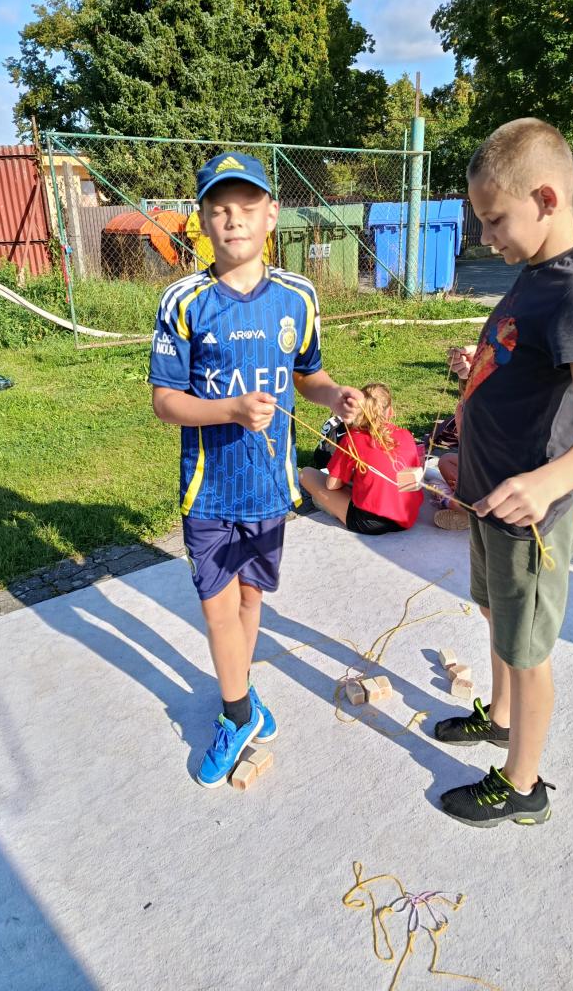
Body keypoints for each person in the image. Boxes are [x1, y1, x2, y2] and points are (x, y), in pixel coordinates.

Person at [149, 151, 362, 789]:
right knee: (217, 610)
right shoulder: (184, 300)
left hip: (270, 488)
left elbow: (309, 374)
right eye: (219, 209)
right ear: (202, 220)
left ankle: (240, 692)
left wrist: (335, 396)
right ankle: (237, 712)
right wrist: (230, 410)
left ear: (271, 215)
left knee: (250, 600)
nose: (233, 220)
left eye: (246, 207)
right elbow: (165, 402)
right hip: (209, 490)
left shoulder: (298, 296)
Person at [433, 118, 573, 828]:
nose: (486, 237)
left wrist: (545, 484)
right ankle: (502, 717)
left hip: (530, 513)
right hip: (491, 497)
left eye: (494, 220)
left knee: (528, 647)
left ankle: (523, 784)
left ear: (545, 199)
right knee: (496, 616)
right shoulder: (537, 274)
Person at [299, 382, 423, 534]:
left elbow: (331, 485)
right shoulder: (406, 434)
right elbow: (410, 482)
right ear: (390, 411)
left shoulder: (352, 438)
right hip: (407, 516)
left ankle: (331, 506)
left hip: (370, 522)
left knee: (306, 474)